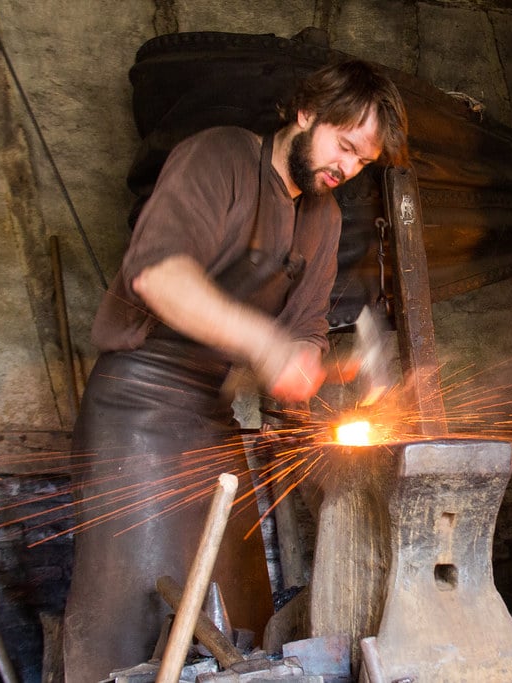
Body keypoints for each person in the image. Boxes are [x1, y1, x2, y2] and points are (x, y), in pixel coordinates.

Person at [62, 59, 408, 683]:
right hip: (136, 408)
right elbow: (158, 276)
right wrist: (265, 344)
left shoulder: (323, 219)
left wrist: (305, 372)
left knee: (234, 627)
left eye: (363, 161)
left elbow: (302, 331)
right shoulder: (218, 158)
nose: (347, 168)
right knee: (132, 631)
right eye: (344, 146)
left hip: (212, 418)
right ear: (308, 114)